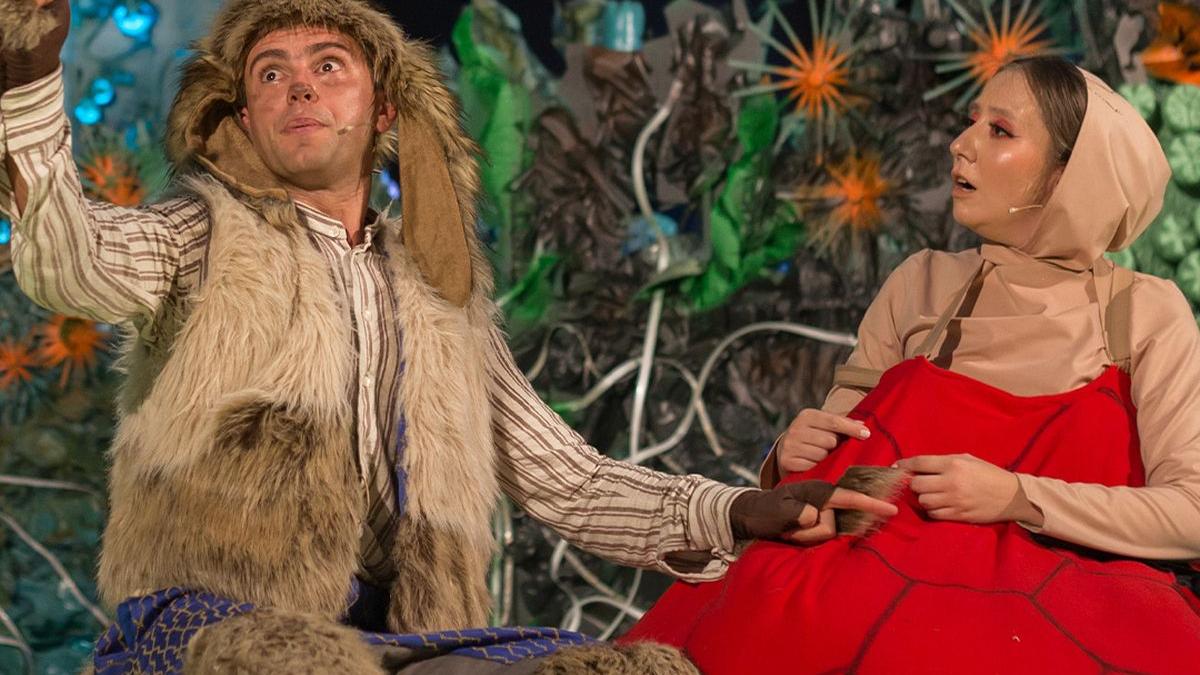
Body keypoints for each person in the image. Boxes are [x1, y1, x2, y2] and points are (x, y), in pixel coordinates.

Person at [0, 0, 897, 673]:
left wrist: (731, 511)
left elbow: (571, 480)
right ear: (243, 120)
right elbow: (70, 262)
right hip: (212, 623)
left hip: (409, 638)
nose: (298, 85)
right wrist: (30, 79)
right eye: (268, 74)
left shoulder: (442, 296)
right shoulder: (197, 236)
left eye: (328, 64)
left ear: (385, 110)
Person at [623, 57, 1200, 674]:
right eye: (971, 120)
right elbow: (836, 492)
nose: (961, 144)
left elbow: (1191, 513)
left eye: (999, 131)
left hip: (1057, 624)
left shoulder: (1143, 312)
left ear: (1070, 175)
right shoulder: (922, 283)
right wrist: (790, 456)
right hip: (855, 604)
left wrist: (1017, 496)